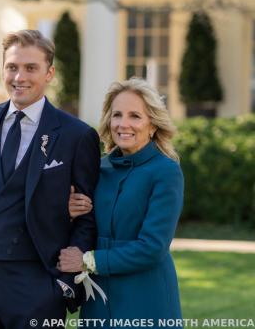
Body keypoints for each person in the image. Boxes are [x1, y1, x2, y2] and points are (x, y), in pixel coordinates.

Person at [0, 29, 100, 329]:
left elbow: (88, 217)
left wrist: (63, 285)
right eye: (12, 67)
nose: (19, 77)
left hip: (37, 281)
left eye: (30, 68)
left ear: (49, 73)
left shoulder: (77, 135)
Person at [60, 77, 184, 327]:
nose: (123, 124)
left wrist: (87, 261)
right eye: (117, 115)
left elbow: (152, 246)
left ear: (153, 125)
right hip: (98, 299)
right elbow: (86, 225)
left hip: (145, 296)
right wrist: (71, 212)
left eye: (135, 116)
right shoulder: (98, 168)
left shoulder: (166, 172)